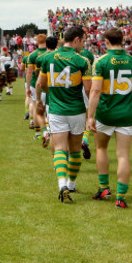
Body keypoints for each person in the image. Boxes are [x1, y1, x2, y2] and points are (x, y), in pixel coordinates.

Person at [87, 28, 132, 209]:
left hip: (105, 113)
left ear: (106, 41)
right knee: (123, 156)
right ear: (123, 40)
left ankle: (104, 188)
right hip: (127, 115)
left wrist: (90, 116)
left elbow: (95, 91)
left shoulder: (101, 62)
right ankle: (121, 197)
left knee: (101, 148)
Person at [36, 27, 92, 203]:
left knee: (59, 148)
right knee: (75, 150)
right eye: (83, 41)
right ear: (76, 40)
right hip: (76, 110)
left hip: (56, 110)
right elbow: (89, 89)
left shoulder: (47, 58)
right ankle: (72, 183)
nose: (83, 45)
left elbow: (41, 83)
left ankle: (61, 184)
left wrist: (47, 96)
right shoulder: (82, 61)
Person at [34, 36, 59, 150]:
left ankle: (44, 132)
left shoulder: (41, 58)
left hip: (44, 88)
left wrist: (38, 98)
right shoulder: (60, 57)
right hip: (56, 90)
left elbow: (37, 75)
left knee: (39, 112)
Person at [26, 34, 48, 138]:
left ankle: (38, 133)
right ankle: (49, 130)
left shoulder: (33, 55)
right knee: (48, 108)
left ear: (37, 42)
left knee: (36, 108)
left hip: (36, 84)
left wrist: (28, 87)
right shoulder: (51, 53)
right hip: (49, 84)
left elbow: (29, 73)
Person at [79, 45, 95, 159]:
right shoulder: (88, 55)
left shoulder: (68, 55)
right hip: (86, 85)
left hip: (72, 87)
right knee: (88, 114)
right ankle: (85, 138)